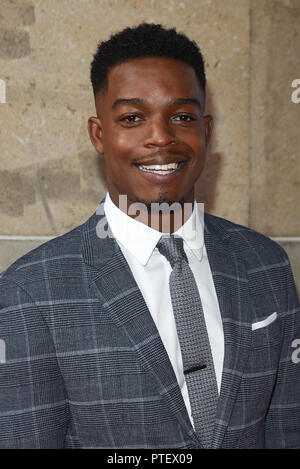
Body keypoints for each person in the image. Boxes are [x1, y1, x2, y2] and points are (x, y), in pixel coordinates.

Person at [0, 23, 299, 449]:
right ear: (99, 135)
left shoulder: (265, 263)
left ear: (206, 130)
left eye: (181, 116)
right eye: (132, 118)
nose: (161, 136)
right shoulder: (31, 290)